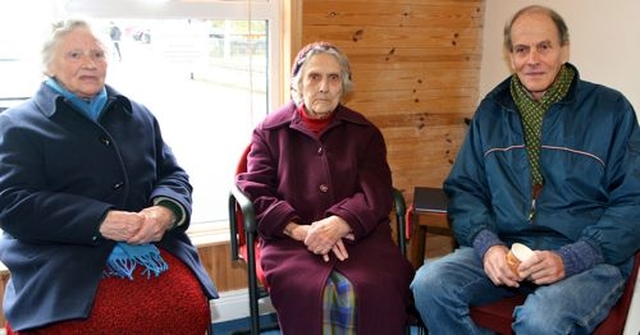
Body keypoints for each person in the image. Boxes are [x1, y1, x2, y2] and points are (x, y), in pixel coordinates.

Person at [411, 5, 640, 334]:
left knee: (541, 320)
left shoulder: (611, 110)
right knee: (429, 284)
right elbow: (465, 190)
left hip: (588, 257)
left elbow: (634, 202)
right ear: (510, 55)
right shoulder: (491, 111)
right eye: (522, 49)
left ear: (564, 48)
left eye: (544, 47)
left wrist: (574, 257)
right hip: (509, 249)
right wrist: (487, 244)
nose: (532, 59)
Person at [0, 19, 217, 333]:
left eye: (97, 54)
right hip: (58, 260)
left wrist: (165, 211)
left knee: (187, 305)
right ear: (48, 66)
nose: (89, 63)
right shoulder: (17, 126)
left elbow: (172, 174)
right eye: (74, 55)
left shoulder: (138, 114)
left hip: (151, 245)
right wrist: (99, 220)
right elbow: (12, 203)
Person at [235, 41, 414, 334]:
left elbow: (377, 189)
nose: (324, 87)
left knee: (377, 286)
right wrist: (298, 230)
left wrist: (341, 222)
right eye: (314, 77)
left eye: (334, 78)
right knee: (307, 290)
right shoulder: (269, 131)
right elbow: (257, 191)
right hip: (291, 240)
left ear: (343, 87)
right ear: (298, 85)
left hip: (359, 236)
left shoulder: (364, 132)